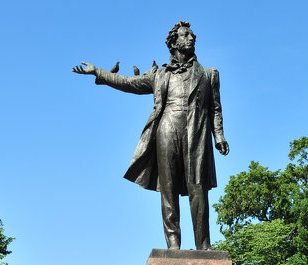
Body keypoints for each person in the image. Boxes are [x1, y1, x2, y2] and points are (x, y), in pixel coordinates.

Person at [73, 21, 228, 250]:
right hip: (166, 130)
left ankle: (203, 246)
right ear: (174, 42)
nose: (192, 37)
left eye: (192, 34)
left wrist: (219, 136)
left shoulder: (208, 75)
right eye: (186, 35)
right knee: (168, 189)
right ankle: (173, 246)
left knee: (198, 188)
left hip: (196, 134)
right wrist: (99, 72)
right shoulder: (160, 75)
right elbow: (129, 83)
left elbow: (215, 108)